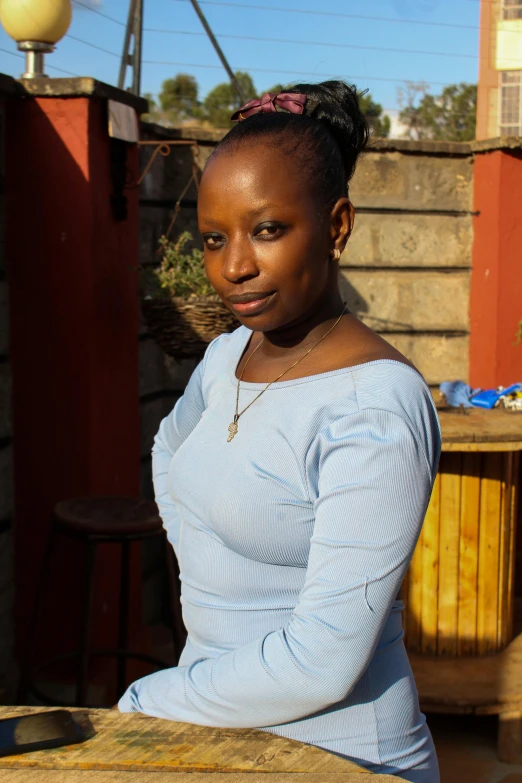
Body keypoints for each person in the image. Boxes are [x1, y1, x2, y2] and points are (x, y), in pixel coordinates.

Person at [118, 80, 441, 782]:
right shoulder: (227, 353)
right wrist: (216, 574)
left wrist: (149, 697)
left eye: (267, 229)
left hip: (343, 758)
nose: (234, 266)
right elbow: (169, 446)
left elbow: (324, 657)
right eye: (213, 238)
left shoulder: (375, 408)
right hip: (221, 737)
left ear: (337, 225)